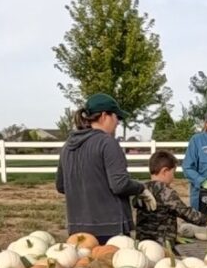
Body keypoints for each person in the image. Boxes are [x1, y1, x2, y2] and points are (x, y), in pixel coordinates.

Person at [55, 93, 157, 240]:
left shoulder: (67, 147)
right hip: (109, 228)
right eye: (117, 117)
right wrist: (141, 188)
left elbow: (61, 186)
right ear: (104, 115)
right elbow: (119, 184)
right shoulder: (107, 143)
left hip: (77, 231)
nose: (118, 122)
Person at [135, 151, 207, 246]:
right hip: (162, 242)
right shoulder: (166, 191)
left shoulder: (142, 189)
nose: (173, 177)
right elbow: (185, 212)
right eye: (173, 173)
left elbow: (136, 203)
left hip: (142, 240)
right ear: (165, 171)